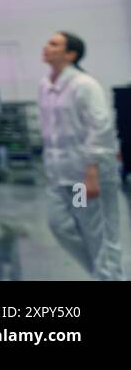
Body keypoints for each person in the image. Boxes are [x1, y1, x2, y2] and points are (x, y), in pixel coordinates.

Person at [38, 31, 125, 280]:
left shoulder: (84, 85)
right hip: (60, 177)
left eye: (54, 44)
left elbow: (101, 128)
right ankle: (104, 275)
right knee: (61, 226)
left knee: (97, 233)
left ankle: (109, 276)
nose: (46, 47)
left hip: (85, 178)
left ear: (71, 54)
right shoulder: (46, 85)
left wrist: (92, 172)